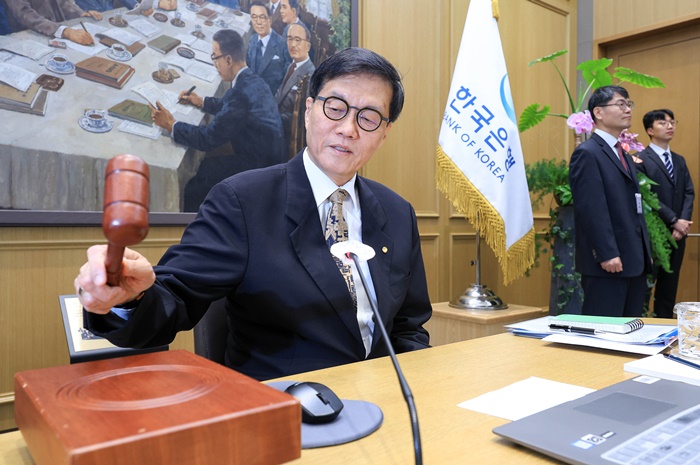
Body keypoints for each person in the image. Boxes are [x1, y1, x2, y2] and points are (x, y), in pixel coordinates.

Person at [75, 47, 432, 381]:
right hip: (285, 407)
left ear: (384, 133)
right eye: (335, 108)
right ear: (309, 111)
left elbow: (409, 326)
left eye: (368, 118)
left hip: (386, 403)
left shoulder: (397, 213)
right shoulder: (242, 201)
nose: (348, 129)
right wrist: (129, 298)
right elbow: (174, 299)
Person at [149, 29, 285, 212]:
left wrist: (171, 124)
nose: (215, 64)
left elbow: (207, 138)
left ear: (228, 60)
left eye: (215, 57)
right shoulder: (252, 80)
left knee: (193, 185)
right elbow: (231, 107)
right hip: (268, 160)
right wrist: (202, 101)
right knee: (204, 167)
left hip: (258, 171)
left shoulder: (239, 93)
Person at [569, 85, 652, 317]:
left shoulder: (623, 153)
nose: (628, 109)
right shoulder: (588, 153)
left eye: (629, 104)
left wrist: (644, 251)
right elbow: (591, 209)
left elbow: (633, 206)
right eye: (620, 104)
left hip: (633, 260)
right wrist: (606, 253)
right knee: (604, 329)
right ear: (598, 112)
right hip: (608, 262)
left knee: (631, 328)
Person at [637, 109, 694, 318]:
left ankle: (665, 328)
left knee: (669, 290)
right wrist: (673, 220)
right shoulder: (639, 160)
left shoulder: (679, 160)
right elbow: (647, 196)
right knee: (645, 288)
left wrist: (683, 222)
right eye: (662, 123)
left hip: (678, 234)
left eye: (672, 122)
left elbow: (688, 192)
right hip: (653, 234)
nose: (669, 126)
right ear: (650, 130)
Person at [275, 22, 315, 157]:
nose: (292, 44)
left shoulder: (309, 75)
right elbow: (280, 94)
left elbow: (300, 118)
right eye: (290, 39)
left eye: (298, 40)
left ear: (308, 46)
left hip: (285, 134)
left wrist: (270, 118)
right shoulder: (293, 65)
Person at [7, 0, 102, 45]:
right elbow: (26, 15)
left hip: (59, 33)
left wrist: (80, 13)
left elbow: (63, 2)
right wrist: (65, 31)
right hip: (31, 38)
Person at [246, 1, 290, 96]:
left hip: (271, 97)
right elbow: (248, 66)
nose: (258, 22)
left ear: (269, 19)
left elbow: (287, 78)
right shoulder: (253, 39)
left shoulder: (283, 45)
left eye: (262, 17)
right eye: (254, 17)